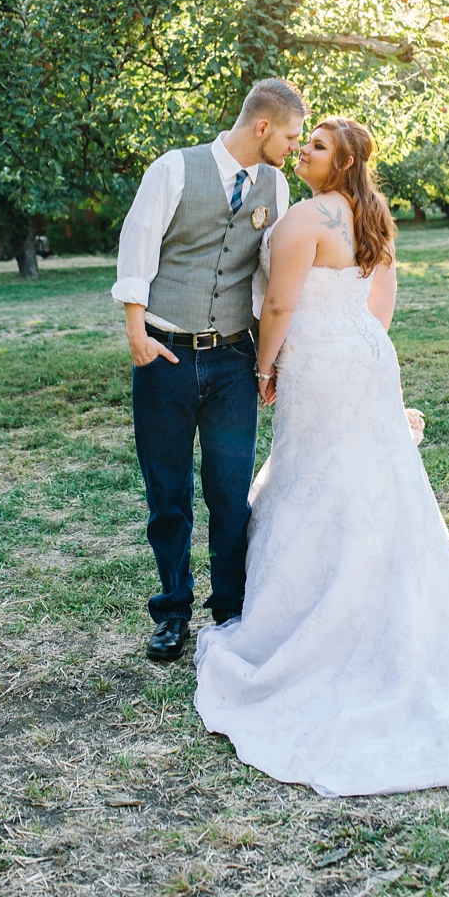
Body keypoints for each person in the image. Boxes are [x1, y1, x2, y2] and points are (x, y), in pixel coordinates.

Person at [194, 116, 449, 797]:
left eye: (319, 145)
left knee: (317, 477)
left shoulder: (303, 219)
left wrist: (268, 368)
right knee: (372, 477)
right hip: (363, 354)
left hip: (319, 362)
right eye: (308, 139)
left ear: (343, 160)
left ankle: (324, 618)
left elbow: (277, 303)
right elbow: (381, 298)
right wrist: (358, 341)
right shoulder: (371, 212)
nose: (306, 149)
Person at [114, 77, 307, 663]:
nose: (296, 151)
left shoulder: (276, 185)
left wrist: (270, 360)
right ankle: (172, 611)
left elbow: (274, 273)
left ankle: (230, 611)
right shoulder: (174, 169)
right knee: (167, 495)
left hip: (232, 360)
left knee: (229, 494)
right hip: (165, 356)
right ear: (263, 127)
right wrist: (136, 334)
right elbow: (137, 246)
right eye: (293, 138)